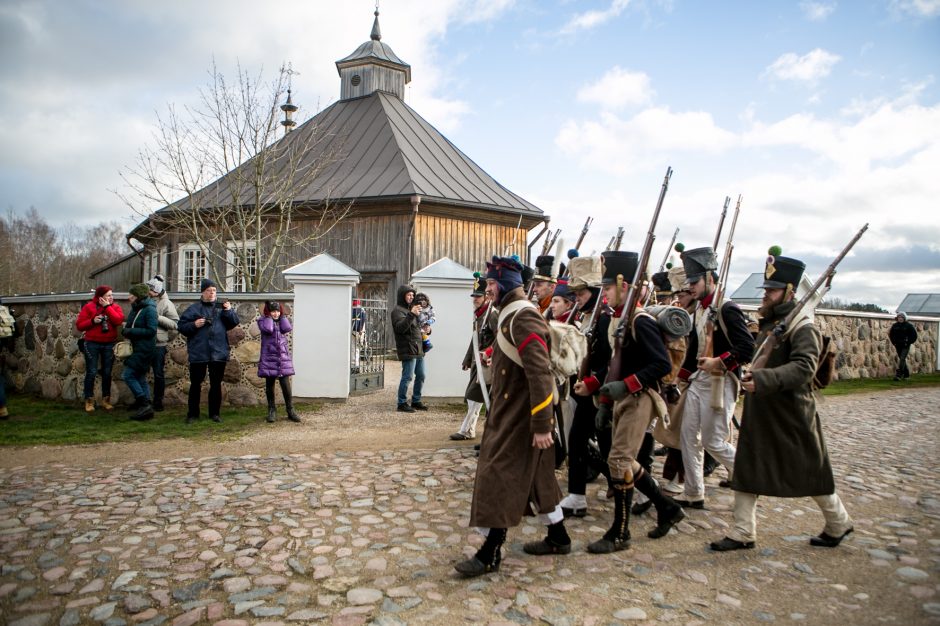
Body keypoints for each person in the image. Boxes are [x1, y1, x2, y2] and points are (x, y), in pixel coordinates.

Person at [711, 252, 854, 551]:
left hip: (791, 413)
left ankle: (838, 521)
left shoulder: (802, 326)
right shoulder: (772, 322)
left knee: (810, 472)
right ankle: (742, 531)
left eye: (772, 290)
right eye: (766, 289)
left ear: (789, 292)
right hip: (763, 410)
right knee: (748, 469)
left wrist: (763, 380)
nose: (766, 295)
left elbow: (804, 368)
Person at [455, 256, 571, 577]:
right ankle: (559, 537)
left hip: (522, 415)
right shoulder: (510, 314)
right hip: (511, 410)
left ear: (505, 283)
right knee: (538, 478)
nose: (487, 288)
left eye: (492, 283)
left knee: (499, 476)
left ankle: (490, 551)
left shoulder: (523, 317)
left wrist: (541, 423)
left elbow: (540, 373)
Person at [585, 251, 684, 554]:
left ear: (624, 286)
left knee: (618, 461)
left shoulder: (641, 321)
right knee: (624, 460)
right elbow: (617, 363)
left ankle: (621, 532)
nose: (605, 295)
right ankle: (666, 508)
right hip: (624, 398)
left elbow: (661, 365)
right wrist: (604, 401)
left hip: (641, 397)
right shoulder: (621, 320)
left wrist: (625, 386)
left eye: (609, 288)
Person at [675, 246, 754, 509]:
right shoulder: (699, 310)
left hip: (722, 380)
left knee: (714, 441)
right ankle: (694, 491)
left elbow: (746, 348)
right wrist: (681, 377)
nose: (691, 287)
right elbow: (693, 350)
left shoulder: (727, 308)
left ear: (710, 279)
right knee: (688, 436)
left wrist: (718, 361)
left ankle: (749, 478)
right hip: (699, 380)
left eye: (695, 282)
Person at [565, 256, 614, 517]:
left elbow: (612, 361)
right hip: (585, 391)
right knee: (576, 440)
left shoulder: (604, 319)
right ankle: (576, 497)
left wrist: (593, 382)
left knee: (610, 447)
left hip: (602, 392)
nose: (577, 298)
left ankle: (639, 490)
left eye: (581, 292)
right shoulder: (586, 319)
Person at [177, 278, 240, 424]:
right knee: (195, 384)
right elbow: (181, 327)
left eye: (214, 291)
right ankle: (193, 414)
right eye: (208, 290)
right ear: (202, 292)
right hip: (199, 352)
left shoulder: (221, 308)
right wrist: (194, 324)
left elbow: (234, 322)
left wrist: (229, 310)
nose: (212, 293)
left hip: (218, 352)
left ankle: (215, 414)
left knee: (216, 384)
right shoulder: (193, 309)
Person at [452, 275, 497, 441]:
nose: (475, 300)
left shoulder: (491, 314)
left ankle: (467, 430)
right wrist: (467, 359)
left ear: (486, 297)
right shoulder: (481, 315)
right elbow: (475, 339)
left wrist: (489, 353)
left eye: (478, 296)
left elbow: (501, 338)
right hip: (477, 363)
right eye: (474, 296)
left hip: (487, 363)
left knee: (475, 396)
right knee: (476, 397)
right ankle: (469, 430)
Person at [75, 285, 125, 413]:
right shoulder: (89, 307)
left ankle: (106, 400)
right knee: (91, 372)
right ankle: (89, 400)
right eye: (108, 295)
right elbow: (79, 325)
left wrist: (107, 307)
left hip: (109, 344)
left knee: (107, 372)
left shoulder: (114, 307)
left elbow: (118, 320)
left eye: (111, 295)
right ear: (100, 297)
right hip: (92, 344)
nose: (111, 297)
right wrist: (92, 321)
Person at [258, 301, 301, 423]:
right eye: (273, 311)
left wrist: (282, 316)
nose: (276, 314)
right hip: (269, 358)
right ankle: (272, 410)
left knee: (285, 385)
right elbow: (268, 329)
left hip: (282, 358)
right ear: (268, 312)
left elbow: (287, 328)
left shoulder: (282, 321)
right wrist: (268, 317)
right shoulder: (263, 321)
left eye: (277, 311)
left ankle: (290, 410)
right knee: (269, 385)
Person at [121, 284, 158, 421]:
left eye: (132, 294)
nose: (129, 297)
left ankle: (143, 403)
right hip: (137, 347)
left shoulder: (149, 310)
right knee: (140, 376)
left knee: (128, 375)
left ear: (138, 296)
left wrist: (130, 331)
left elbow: (151, 331)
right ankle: (146, 406)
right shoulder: (136, 308)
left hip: (144, 348)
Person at [390, 284, 427, 413]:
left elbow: (416, 328)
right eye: (408, 295)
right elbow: (400, 328)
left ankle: (416, 401)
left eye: (412, 295)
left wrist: (427, 329)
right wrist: (411, 315)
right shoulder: (397, 311)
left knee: (421, 375)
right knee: (408, 377)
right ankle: (401, 403)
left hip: (418, 348)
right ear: (402, 296)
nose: (411, 297)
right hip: (407, 348)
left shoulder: (413, 309)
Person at [146, 275, 179, 411]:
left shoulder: (166, 303)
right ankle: (143, 400)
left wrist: (157, 317)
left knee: (158, 373)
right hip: (144, 342)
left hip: (158, 345)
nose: (148, 291)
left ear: (156, 290)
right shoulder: (147, 300)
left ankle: (158, 401)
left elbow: (175, 323)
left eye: (150, 289)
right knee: (140, 372)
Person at [889, 312, 918, 381]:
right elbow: (891, 335)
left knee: (902, 358)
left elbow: (914, 336)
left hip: (905, 346)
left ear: (904, 318)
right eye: (899, 317)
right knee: (902, 360)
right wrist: (894, 343)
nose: (900, 319)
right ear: (897, 318)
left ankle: (899, 374)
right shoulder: (895, 326)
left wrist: (908, 342)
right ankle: (906, 375)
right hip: (898, 345)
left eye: (902, 317)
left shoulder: (909, 326)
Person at [351, 299, 367, 370]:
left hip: (354, 331)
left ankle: (354, 366)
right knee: (357, 349)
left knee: (353, 349)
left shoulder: (352, 309)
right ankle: (356, 365)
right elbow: (363, 321)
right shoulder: (362, 310)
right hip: (360, 332)